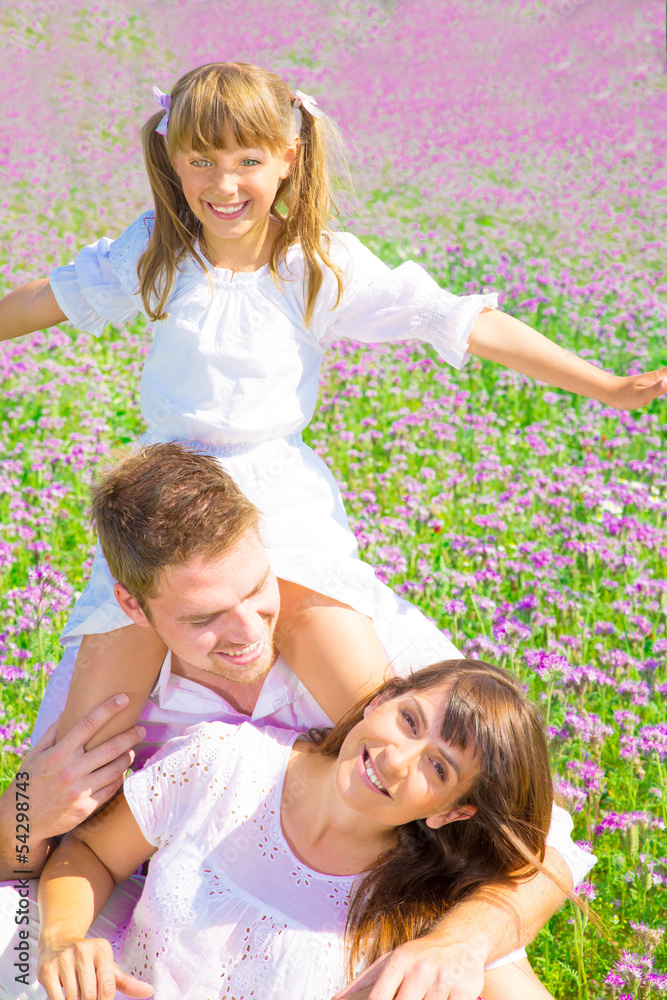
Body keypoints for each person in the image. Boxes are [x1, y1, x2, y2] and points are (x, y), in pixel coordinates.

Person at [0, 60, 664, 764]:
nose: (223, 184)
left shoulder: (313, 265)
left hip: (274, 501)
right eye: (200, 159)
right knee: (90, 733)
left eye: (247, 160)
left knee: (368, 708)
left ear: (287, 160)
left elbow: (457, 322)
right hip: (166, 498)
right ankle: (36, 848)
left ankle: (418, 840)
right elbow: (50, 297)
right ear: (171, 157)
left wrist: (604, 385)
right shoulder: (155, 250)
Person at [0, 444, 594, 1000]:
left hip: (359, 903)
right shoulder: (111, 676)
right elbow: (48, 853)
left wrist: (457, 943)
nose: (249, 632)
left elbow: (538, 851)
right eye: (205, 617)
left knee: (489, 964)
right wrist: (19, 812)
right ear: (135, 607)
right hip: (158, 901)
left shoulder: (382, 669)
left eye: (257, 588)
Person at [36, 660, 565, 1000]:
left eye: (439, 768)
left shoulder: (430, 907)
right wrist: (63, 938)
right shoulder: (223, 762)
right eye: (409, 720)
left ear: (451, 813)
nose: (398, 761)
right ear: (381, 700)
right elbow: (91, 852)